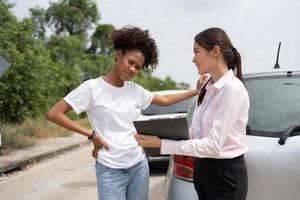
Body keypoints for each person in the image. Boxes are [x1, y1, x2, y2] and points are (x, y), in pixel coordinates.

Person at [47, 26, 203, 200]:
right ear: (118, 54)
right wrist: (91, 135)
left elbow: (164, 101)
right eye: (130, 62)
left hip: (138, 165)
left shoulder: (134, 90)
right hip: (109, 169)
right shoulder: (92, 88)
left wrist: (195, 91)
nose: (133, 70)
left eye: (138, 67)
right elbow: (54, 113)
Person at [135, 27, 250, 200]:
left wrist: (162, 143)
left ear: (215, 51)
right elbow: (197, 133)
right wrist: (163, 135)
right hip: (203, 169)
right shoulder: (207, 87)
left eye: (196, 52)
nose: (193, 59)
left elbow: (212, 145)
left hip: (224, 174)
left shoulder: (232, 90)